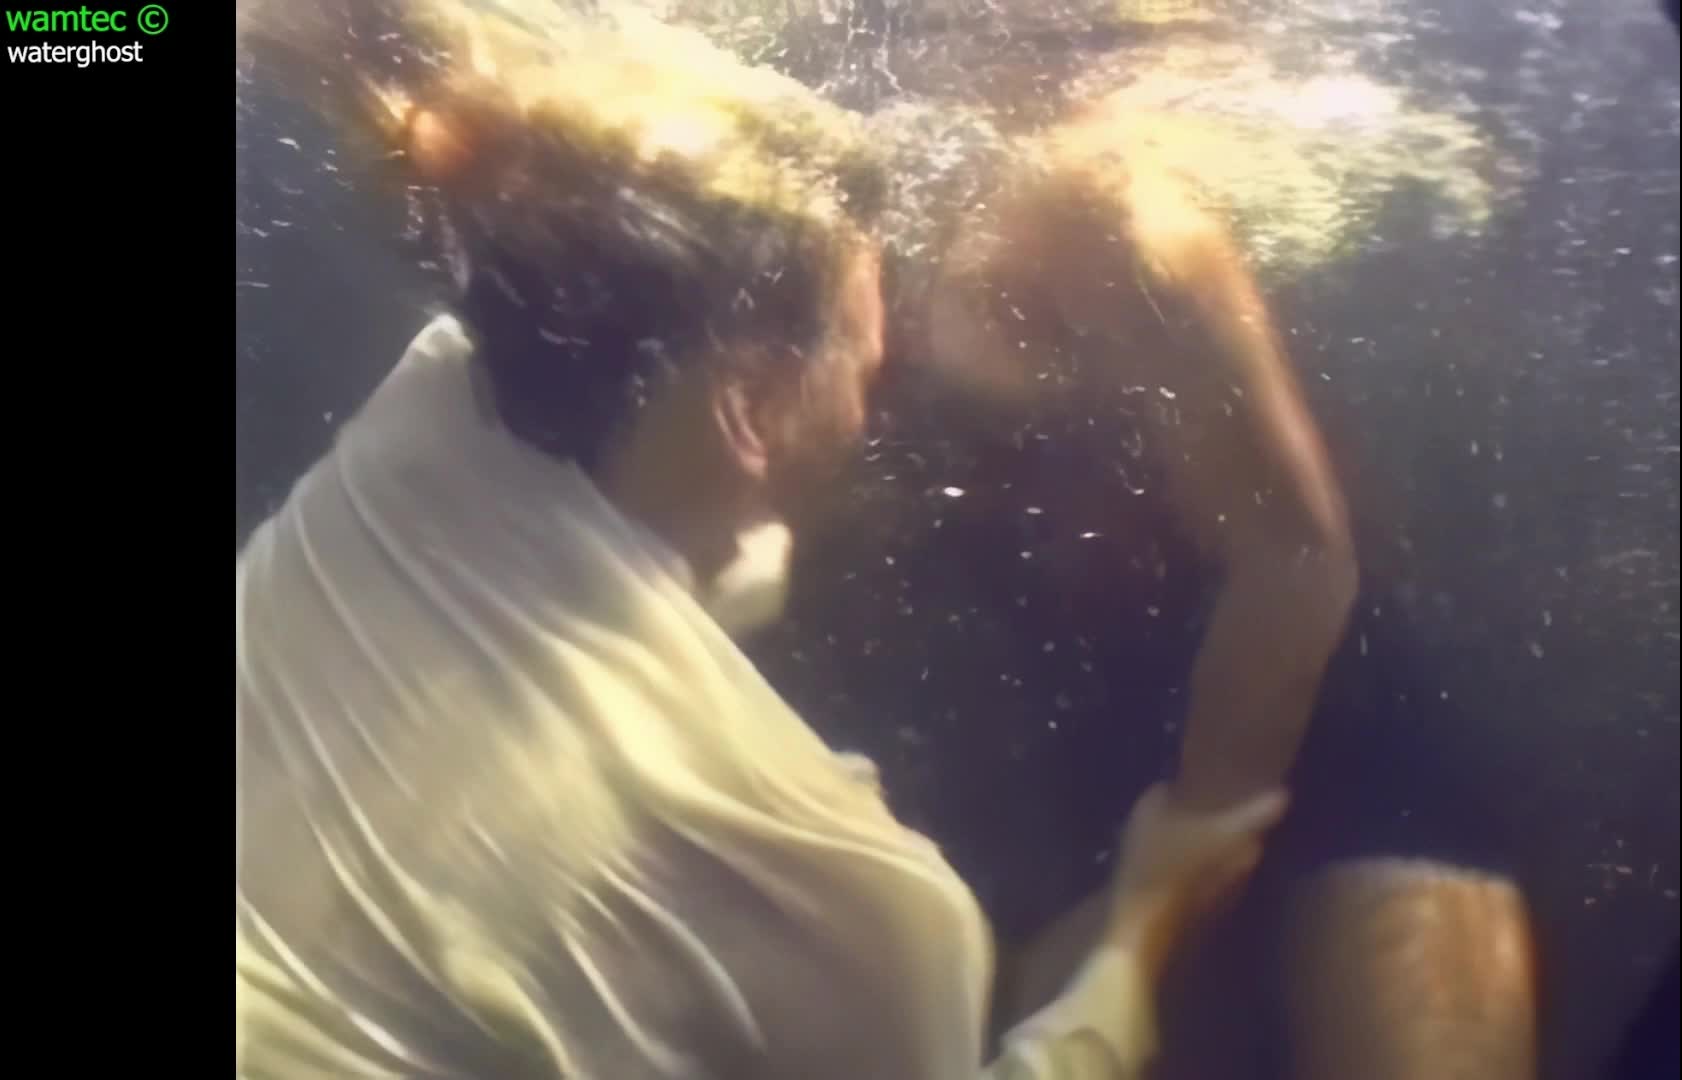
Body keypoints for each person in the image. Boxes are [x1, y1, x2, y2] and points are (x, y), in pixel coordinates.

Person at [235, 3, 1346, 1077]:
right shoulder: (859, 901)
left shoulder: (431, 404)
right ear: (755, 407)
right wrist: (1146, 926)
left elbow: (515, 159)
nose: (876, 387)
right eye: (865, 357)